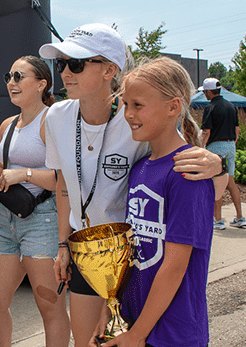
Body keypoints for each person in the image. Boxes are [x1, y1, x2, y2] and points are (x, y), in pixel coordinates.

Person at [38, 23, 225, 347]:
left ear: (109, 70)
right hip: (91, 254)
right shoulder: (57, 117)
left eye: (76, 63)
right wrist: (63, 245)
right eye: (61, 63)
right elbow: (65, 183)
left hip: (135, 266)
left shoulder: (140, 126)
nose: (66, 72)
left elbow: (190, 170)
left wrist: (218, 165)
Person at [96, 56, 214, 347]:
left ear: (173, 107)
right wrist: (109, 311)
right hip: (135, 323)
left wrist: (138, 334)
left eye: (138, 105)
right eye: (125, 104)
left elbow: (174, 266)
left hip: (174, 334)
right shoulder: (140, 168)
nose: (128, 114)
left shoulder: (188, 174)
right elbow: (130, 251)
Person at [0, 55, 68, 347]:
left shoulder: (51, 122)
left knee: (50, 306)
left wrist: (24, 174)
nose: (11, 82)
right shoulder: (7, 125)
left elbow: (63, 180)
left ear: (42, 84)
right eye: (9, 76)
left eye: (19, 76)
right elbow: (0, 164)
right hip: (6, 219)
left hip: (43, 219)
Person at [200, 78, 244, 230]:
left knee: (216, 183)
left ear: (208, 91)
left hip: (216, 146)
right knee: (230, 182)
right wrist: (231, 144)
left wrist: (200, 147)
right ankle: (240, 217)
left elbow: (206, 132)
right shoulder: (231, 106)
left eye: (205, 92)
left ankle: (217, 220)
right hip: (230, 145)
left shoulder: (210, 107)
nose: (204, 94)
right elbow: (237, 129)